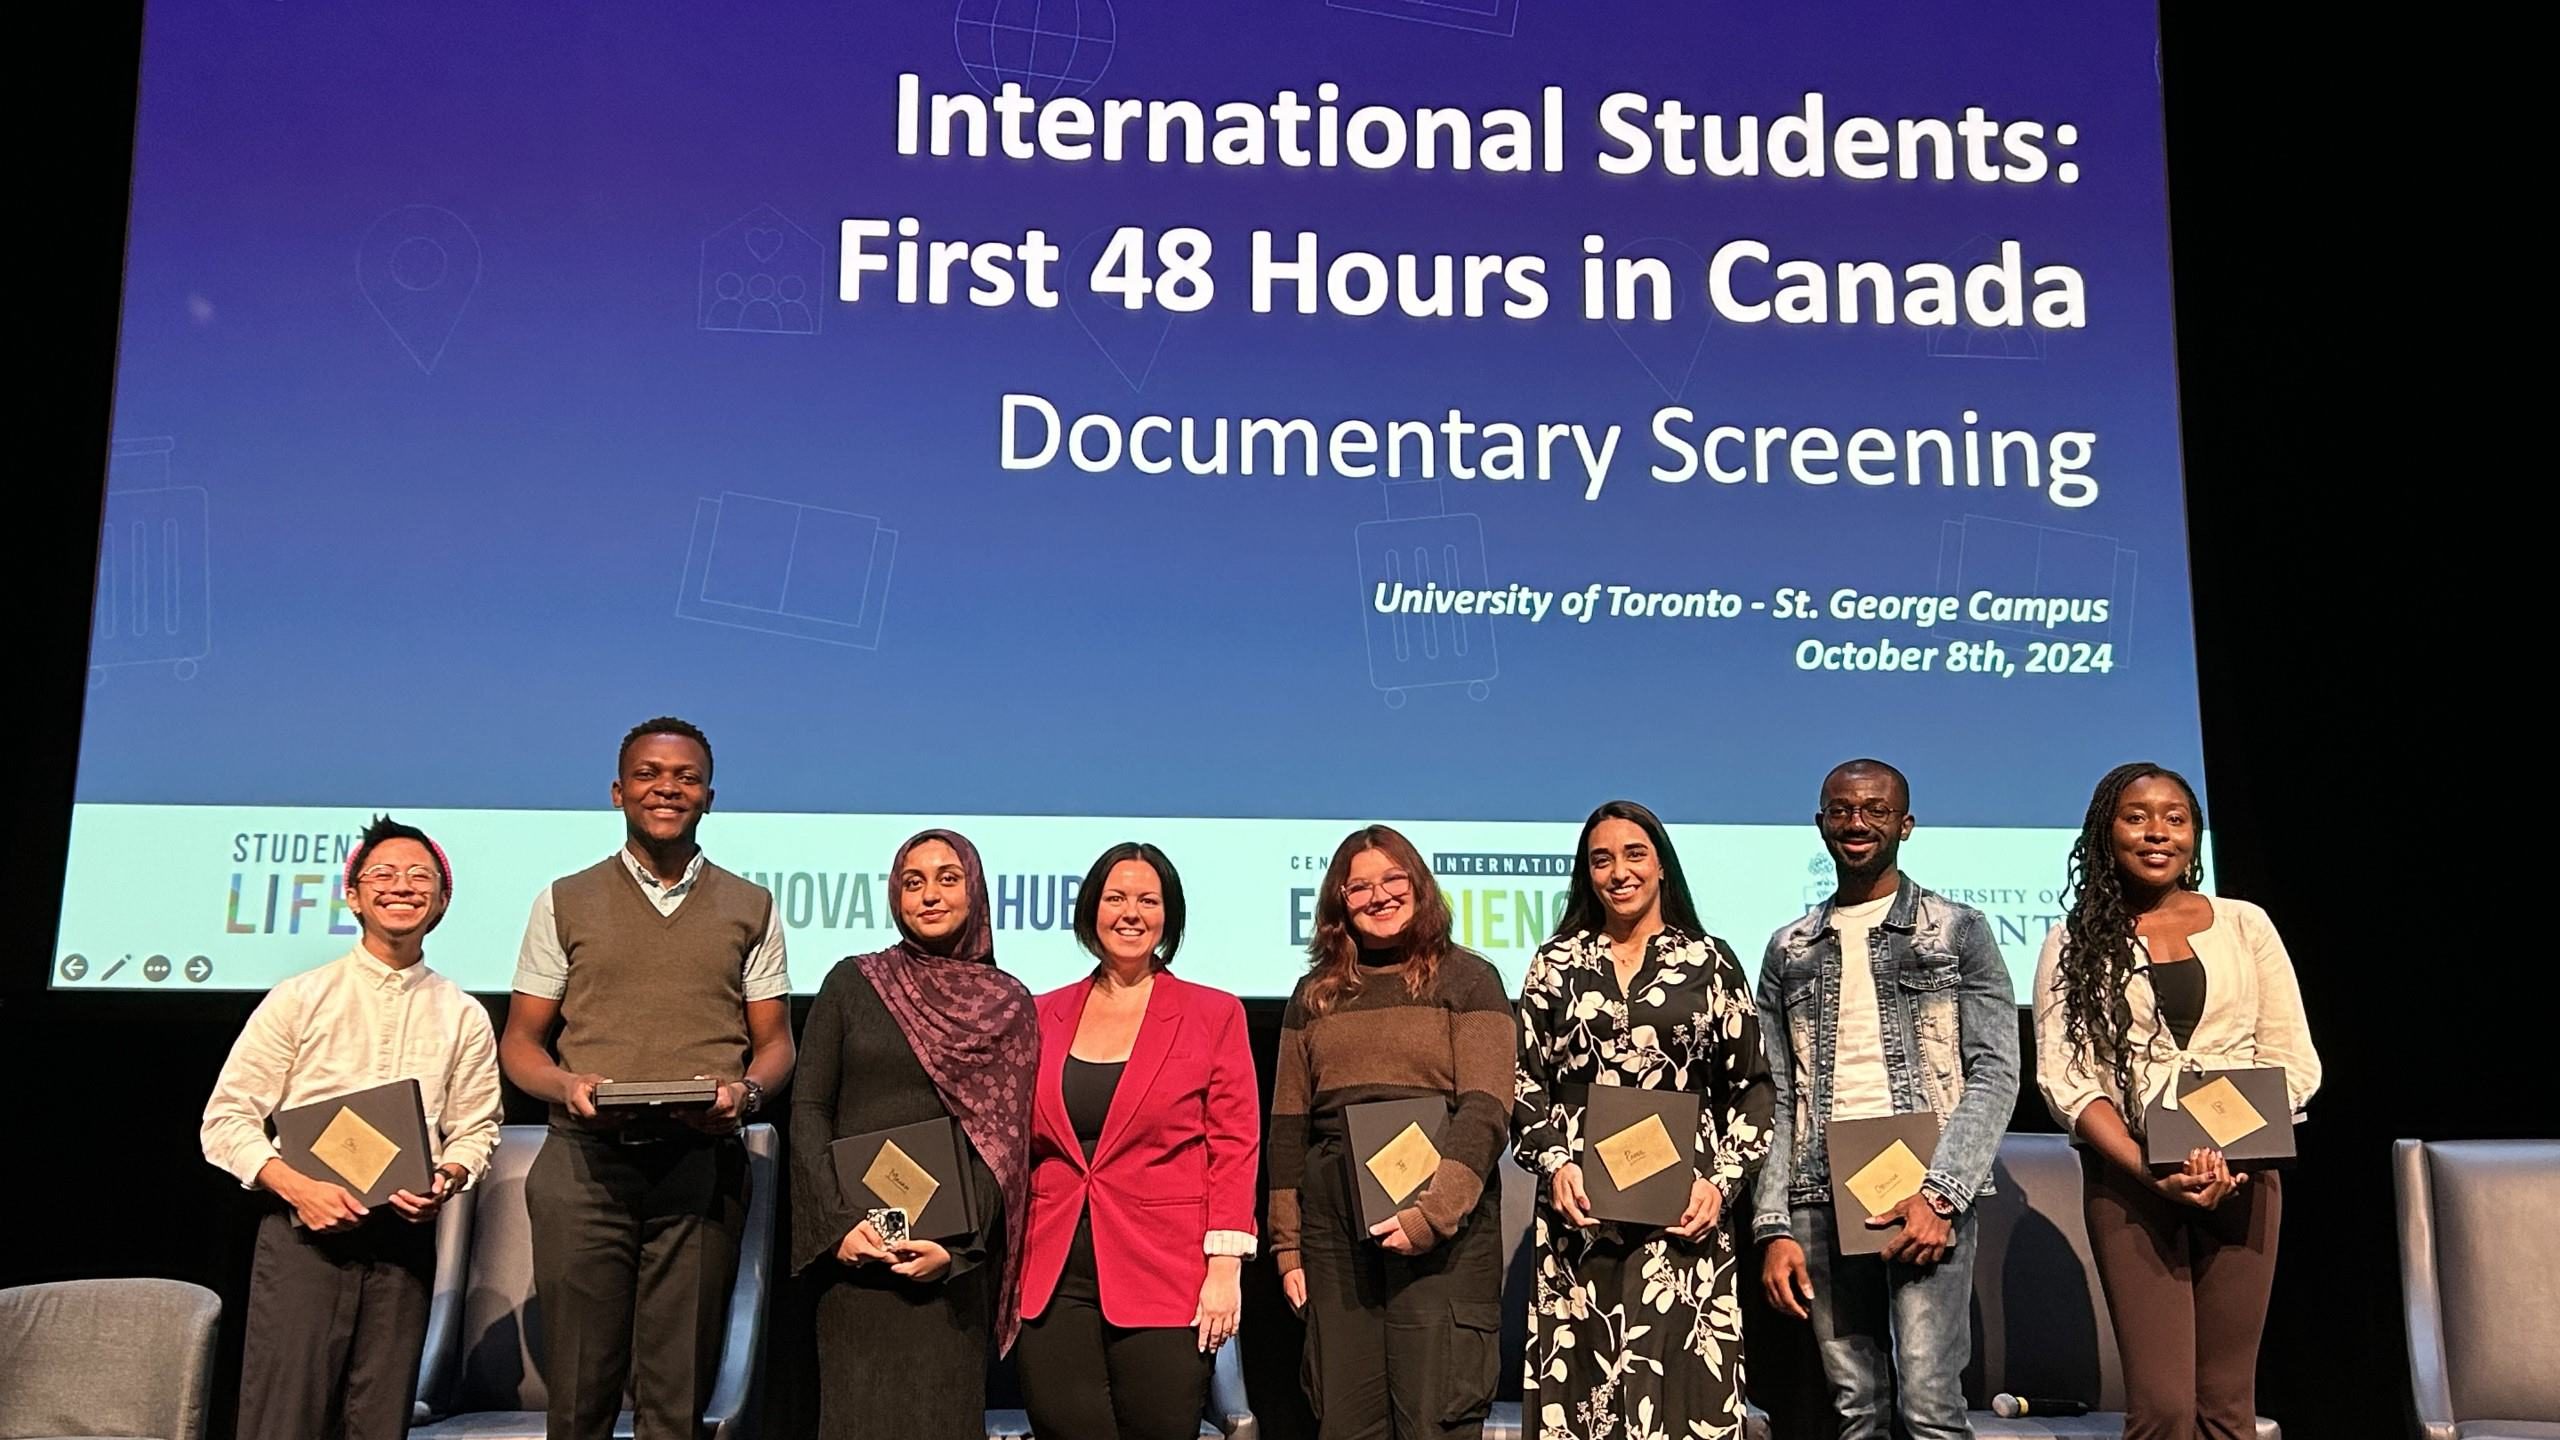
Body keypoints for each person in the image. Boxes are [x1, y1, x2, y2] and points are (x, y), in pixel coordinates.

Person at [498, 716, 796, 1440]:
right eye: (648, 774)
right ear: (618, 791)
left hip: (699, 1171)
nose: (667, 788)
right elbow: (521, 1046)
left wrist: (745, 1096)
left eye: (686, 777)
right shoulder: (564, 900)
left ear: (709, 796)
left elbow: (777, 1045)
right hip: (586, 1168)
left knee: (677, 1402)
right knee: (579, 1399)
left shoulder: (749, 906)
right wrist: (565, 1086)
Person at [2033, 763, 2318, 1440]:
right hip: (2131, 1185)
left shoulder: (2245, 925)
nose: (2156, 832)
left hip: (2243, 1177)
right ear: (2106, 832)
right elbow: (2066, 1081)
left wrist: (2231, 1155)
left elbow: (2293, 1060)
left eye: (2175, 818)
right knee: (2161, 1408)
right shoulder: (2071, 942)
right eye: (2136, 817)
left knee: (2226, 1409)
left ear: (2194, 834)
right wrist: (2146, 1168)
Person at [200, 815, 501, 1440]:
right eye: (383, 874)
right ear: (354, 894)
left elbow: (477, 1129)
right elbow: (225, 1121)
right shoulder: (300, 997)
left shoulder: (463, 1014)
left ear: (442, 900)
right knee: (283, 1418)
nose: (402, 887)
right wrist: (297, 1187)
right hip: (302, 1235)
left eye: (421, 877)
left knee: (379, 1421)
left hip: (403, 1239)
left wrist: (444, 1178)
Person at [1750, 760, 2021, 1439]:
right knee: (1855, 1410)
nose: (1857, 823)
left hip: (1926, 1193)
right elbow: (1778, 1098)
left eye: (1874, 810)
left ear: (1906, 824)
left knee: (1930, 1407)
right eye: (1841, 810)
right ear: (1820, 824)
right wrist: (1773, 1223)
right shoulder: (1789, 948)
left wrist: (1942, 1195)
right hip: (1819, 1193)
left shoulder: (1957, 930)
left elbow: (1995, 1072)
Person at [1514, 799, 1772, 1440]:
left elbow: (1753, 1089)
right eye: (1602, 859)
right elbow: (1522, 1085)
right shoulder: (1556, 963)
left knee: (1683, 1402)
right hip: (1581, 1223)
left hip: (1683, 1222)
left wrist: (1721, 1183)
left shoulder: (1710, 962)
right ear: (1586, 874)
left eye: (1634, 855)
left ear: (1661, 866)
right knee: (1583, 1407)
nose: (1619, 872)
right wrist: (1556, 1166)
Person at [790, 828, 1038, 1440]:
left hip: (947, 1275)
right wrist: (839, 1227)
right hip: (854, 1266)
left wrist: (955, 1253)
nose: (929, 895)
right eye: (913, 881)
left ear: (975, 892)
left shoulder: (1008, 1005)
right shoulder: (853, 982)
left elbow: (1005, 1147)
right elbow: (809, 1110)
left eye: (947, 879)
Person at [1269, 825, 1512, 1439]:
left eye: (1392, 880)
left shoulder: (1469, 980)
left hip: (1443, 1233)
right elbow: (1288, 1126)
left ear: (1419, 885)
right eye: (1359, 887)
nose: (1378, 896)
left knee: (1434, 1421)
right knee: (1344, 1423)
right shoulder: (1314, 996)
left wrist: (1430, 1216)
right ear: (1337, 903)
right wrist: (1287, 1245)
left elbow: (1486, 1111)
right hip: (1332, 1235)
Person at [1015, 842, 1261, 1440]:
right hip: (1052, 1274)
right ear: (1090, 912)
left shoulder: (1213, 1013)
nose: (1131, 912)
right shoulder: (1037, 1014)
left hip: (1165, 1273)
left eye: (1148, 900)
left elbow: (1234, 1144)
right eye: (1115, 897)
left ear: (1167, 916)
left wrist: (1224, 1266)